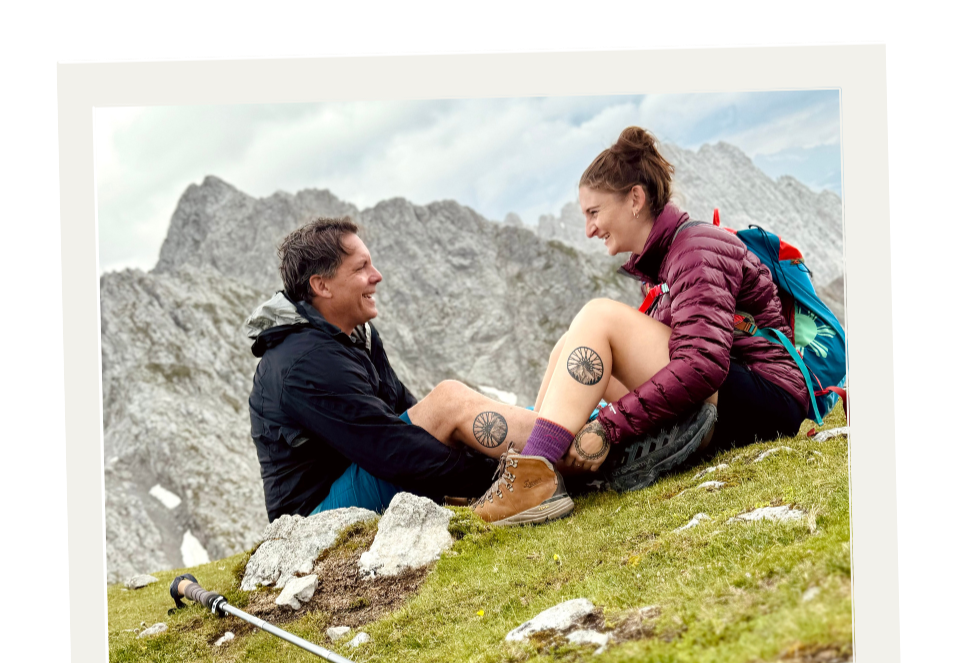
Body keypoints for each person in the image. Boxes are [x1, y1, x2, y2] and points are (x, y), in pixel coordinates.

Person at [468, 126, 810, 525]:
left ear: (635, 199)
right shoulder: (666, 264)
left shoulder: (697, 248)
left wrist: (608, 426)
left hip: (767, 398)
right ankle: (535, 468)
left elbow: (702, 364)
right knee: (567, 346)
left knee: (598, 316)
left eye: (594, 213)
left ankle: (534, 476)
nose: (589, 230)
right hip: (731, 394)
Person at [248, 217, 566, 523]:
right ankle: (567, 453)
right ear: (322, 285)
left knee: (461, 409)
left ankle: (572, 439)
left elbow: (407, 413)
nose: (377, 276)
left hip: (366, 473)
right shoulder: (303, 361)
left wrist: (478, 450)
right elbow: (389, 450)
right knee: (448, 401)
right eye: (361, 268)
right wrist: (494, 474)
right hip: (315, 516)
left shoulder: (357, 338)